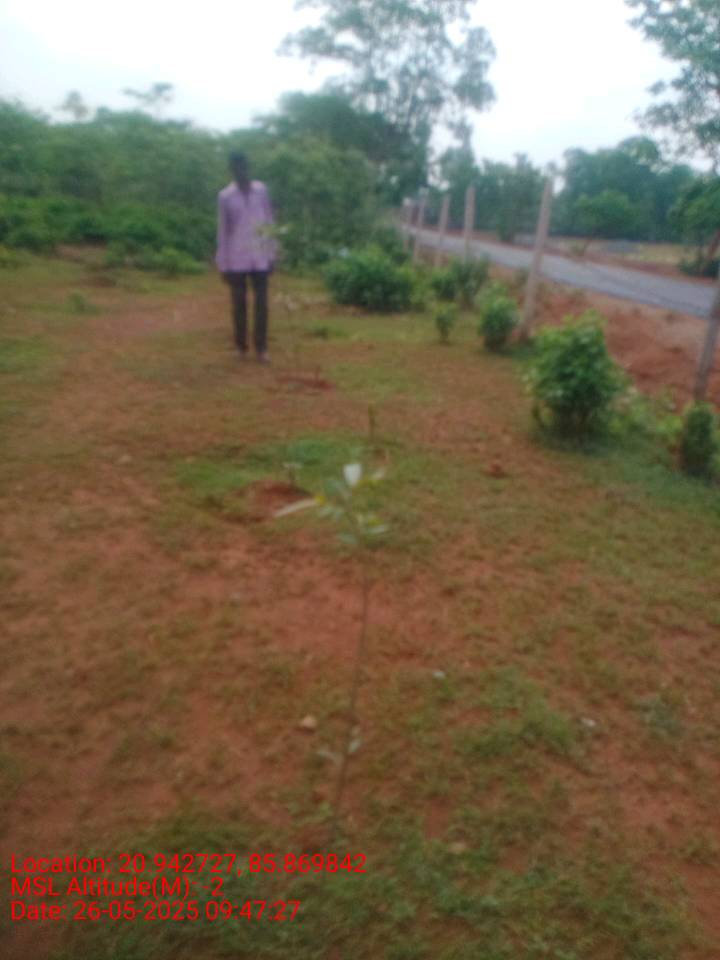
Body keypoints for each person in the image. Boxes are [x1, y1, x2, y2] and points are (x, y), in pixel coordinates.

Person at [216, 152, 277, 363]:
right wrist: (223, 263)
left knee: (262, 304)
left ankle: (261, 348)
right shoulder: (225, 196)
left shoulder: (261, 191)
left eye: (243, 167)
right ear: (231, 170)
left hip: (260, 255)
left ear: (248, 167)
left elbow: (269, 222)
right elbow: (223, 231)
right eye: (236, 168)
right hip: (236, 257)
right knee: (238, 304)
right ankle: (240, 347)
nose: (241, 172)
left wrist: (272, 252)